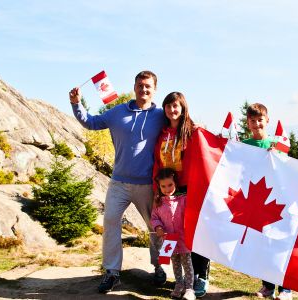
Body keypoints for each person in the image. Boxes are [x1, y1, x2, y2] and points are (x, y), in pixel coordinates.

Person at [69, 70, 167, 293]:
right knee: (111, 223)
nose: (144, 89)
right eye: (140, 85)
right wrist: (76, 104)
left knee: (155, 228)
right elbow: (91, 123)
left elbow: (183, 128)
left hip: (148, 185)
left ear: (154, 90)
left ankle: (159, 266)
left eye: (148, 86)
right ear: (134, 86)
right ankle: (112, 273)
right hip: (119, 183)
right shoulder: (117, 112)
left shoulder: (161, 116)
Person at [153, 91, 210, 297]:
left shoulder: (193, 132)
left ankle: (200, 276)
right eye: (168, 106)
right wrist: (157, 189)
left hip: (189, 190)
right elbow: (158, 162)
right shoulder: (162, 134)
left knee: (194, 235)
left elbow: (206, 153)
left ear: (183, 107)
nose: (172, 110)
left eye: (175, 106)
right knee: (172, 234)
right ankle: (180, 281)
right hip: (167, 191)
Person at [241, 103, 292, 300]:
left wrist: (277, 154)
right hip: (253, 200)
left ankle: (286, 289)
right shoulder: (243, 145)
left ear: (267, 120)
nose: (256, 124)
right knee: (262, 245)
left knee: (279, 244)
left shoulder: (277, 145)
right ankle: (268, 286)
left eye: (260, 120)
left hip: (275, 199)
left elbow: (287, 170)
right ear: (247, 123)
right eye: (252, 121)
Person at [151, 168, 196, 300]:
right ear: (159, 186)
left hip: (183, 238)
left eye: (170, 184)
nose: (167, 188)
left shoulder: (183, 199)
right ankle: (179, 284)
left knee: (187, 263)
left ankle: (189, 289)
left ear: (175, 183)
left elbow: (192, 213)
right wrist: (158, 227)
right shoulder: (158, 202)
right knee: (175, 263)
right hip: (168, 240)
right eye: (163, 186)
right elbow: (154, 218)